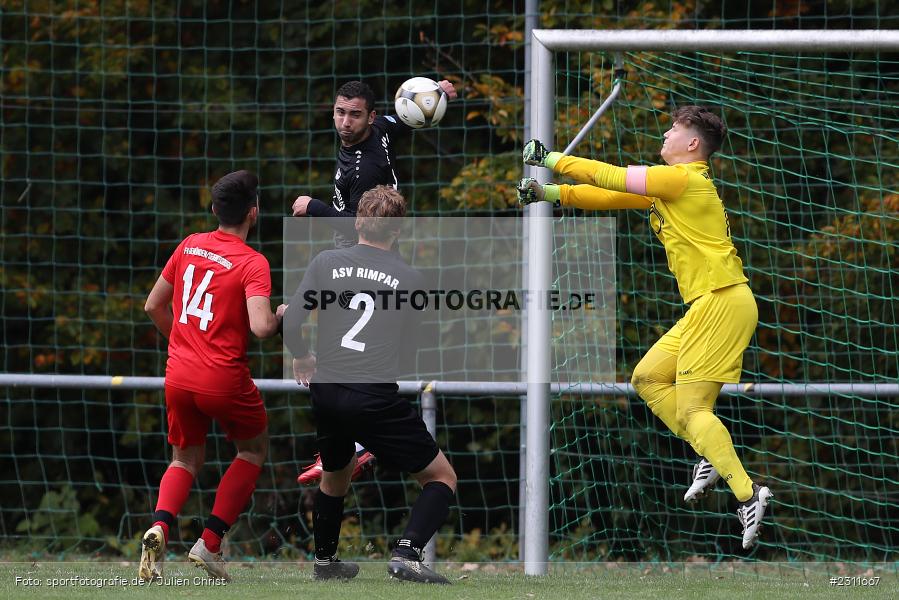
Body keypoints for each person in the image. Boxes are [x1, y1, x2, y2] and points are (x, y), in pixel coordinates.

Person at [518, 106, 773, 550]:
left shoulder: (681, 179)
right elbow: (607, 196)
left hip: (722, 300)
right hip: (709, 304)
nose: (666, 133)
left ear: (693, 144)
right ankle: (711, 453)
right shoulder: (670, 189)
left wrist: (552, 158)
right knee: (647, 378)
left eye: (675, 129)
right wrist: (550, 193)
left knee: (695, 410)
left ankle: (748, 493)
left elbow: (613, 177)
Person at [283, 186, 457, 584]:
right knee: (442, 477)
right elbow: (410, 353)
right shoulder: (411, 279)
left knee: (335, 474)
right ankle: (407, 555)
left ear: (358, 221)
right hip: (371, 395)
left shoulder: (326, 261)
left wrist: (301, 355)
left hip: (325, 389)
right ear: (397, 231)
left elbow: (292, 323)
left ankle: (325, 563)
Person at [291, 78, 458, 485]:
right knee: (352, 352)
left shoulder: (367, 167)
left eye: (353, 115)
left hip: (363, 253)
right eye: (339, 112)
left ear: (367, 115)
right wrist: (432, 94)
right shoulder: (379, 127)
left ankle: (356, 446)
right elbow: (401, 120)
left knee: (343, 347)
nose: (344, 123)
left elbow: (355, 220)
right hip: (371, 255)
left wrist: (312, 206)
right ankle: (348, 447)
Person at [140, 170, 284, 582]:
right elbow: (260, 328)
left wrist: (185, 342)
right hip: (223, 377)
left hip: (179, 373)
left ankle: (159, 527)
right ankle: (210, 542)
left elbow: (153, 306)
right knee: (252, 450)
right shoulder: (252, 262)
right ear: (252, 213)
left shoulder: (189, 245)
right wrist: (280, 316)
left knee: (185, 457)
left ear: (215, 210)